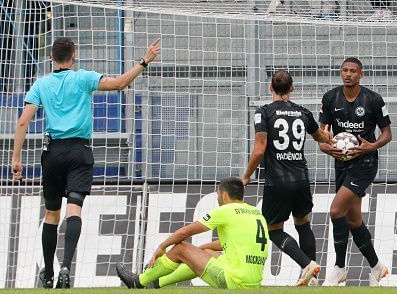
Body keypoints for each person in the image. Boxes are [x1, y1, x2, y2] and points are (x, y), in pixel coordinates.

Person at [11, 37, 161, 288]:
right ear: (74, 56)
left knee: (50, 213)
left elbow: (23, 121)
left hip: (53, 152)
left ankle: (48, 272)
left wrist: (16, 158)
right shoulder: (83, 78)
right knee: (74, 209)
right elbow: (121, 83)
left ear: (51, 57)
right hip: (80, 150)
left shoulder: (41, 84)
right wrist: (145, 60)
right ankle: (67, 266)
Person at [242, 70, 333, 286]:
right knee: (303, 223)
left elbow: (259, 150)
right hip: (301, 179)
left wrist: (245, 177)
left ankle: (307, 265)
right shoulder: (303, 112)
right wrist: (328, 135)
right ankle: (312, 279)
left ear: (270, 88)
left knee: (273, 230)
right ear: (292, 88)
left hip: (277, 181)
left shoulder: (263, 112)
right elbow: (321, 137)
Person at [116, 177, 270, 289]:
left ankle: (138, 282)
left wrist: (162, 247)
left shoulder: (225, 210)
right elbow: (234, 243)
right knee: (207, 252)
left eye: (217, 195)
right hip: (253, 283)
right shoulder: (255, 212)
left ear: (223, 195)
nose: (217, 198)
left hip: (234, 281)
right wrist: (200, 249)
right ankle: (155, 283)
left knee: (181, 249)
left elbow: (185, 232)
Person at [318, 57, 392, 286]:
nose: (348, 74)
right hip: (341, 162)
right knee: (353, 220)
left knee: (335, 210)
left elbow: (387, 134)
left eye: (352, 71)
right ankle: (376, 267)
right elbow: (321, 137)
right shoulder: (330, 98)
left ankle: (339, 267)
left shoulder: (373, 99)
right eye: (344, 70)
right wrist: (327, 147)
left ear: (361, 74)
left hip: (365, 163)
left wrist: (373, 145)